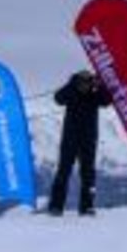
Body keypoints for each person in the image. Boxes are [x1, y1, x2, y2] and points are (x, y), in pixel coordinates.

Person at [49, 71, 112, 216]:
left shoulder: (94, 95)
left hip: (88, 139)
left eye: (88, 82)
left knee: (88, 174)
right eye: (82, 82)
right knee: (63, 171)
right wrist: (71, 84)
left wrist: (100, 85)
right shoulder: (71, 93)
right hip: (70, 138)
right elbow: (58, 98)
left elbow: (107, 100)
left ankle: (87, 207)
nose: (85, 86)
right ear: (76, 82)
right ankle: (56, 206)